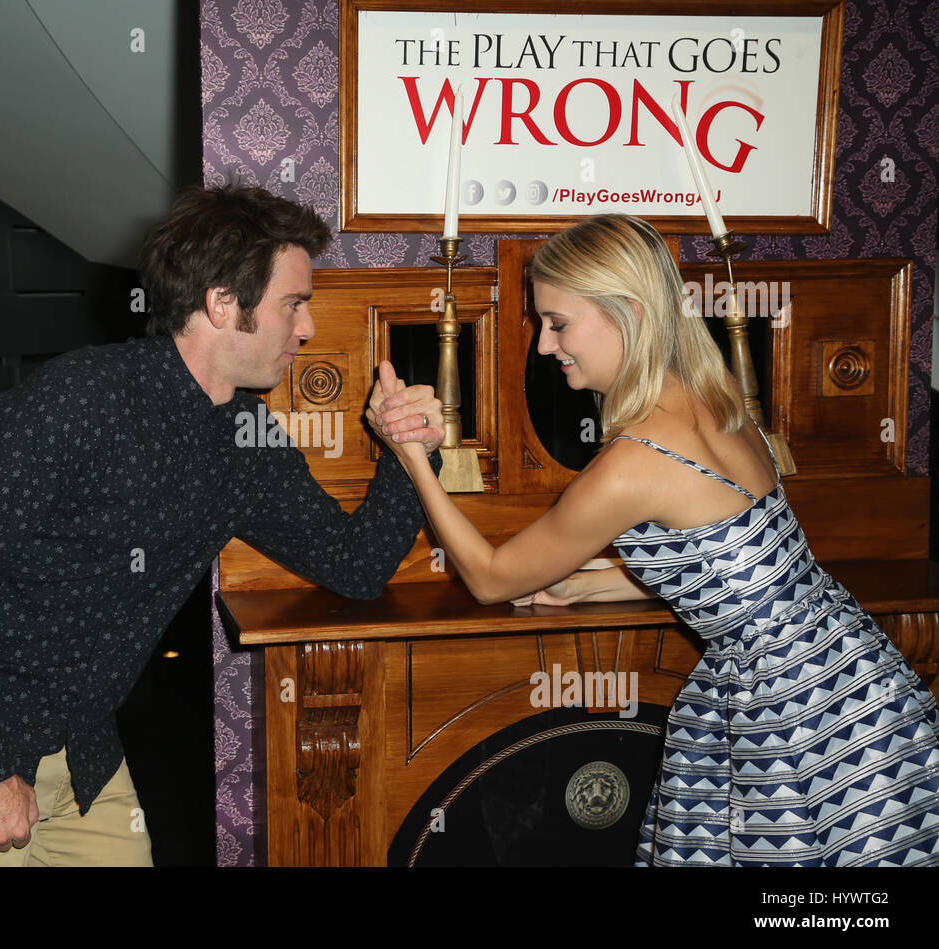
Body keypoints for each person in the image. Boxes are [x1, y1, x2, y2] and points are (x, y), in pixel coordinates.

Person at [0, 184, 445, 866]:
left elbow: (355, 566)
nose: (307, 328)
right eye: (293, 304)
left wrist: (407, 456)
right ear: (222, 303)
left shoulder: (244, 439)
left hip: (79, 748)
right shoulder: (74, 401)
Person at [373, 213, 939, 866]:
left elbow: (492, 576)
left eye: (557, 323)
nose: (544, 346)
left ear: (629, 312)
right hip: (853, 676)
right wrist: (597, 585)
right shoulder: (716, 396)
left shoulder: (633, 461)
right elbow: (750, 563)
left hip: (792, 708)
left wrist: (412, 455)